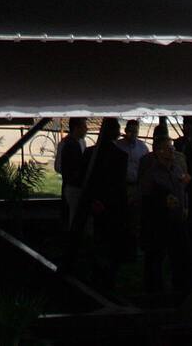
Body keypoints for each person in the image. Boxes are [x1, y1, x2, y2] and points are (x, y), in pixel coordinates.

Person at [135, 126, 188, 295]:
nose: (172, 152)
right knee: (155, 261)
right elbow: (145, 198)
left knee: (177, 259)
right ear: (158, 152)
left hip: (176, 222)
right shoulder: (151, 174)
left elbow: (182, 190)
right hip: (157, 225)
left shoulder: (177, 169)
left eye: (172, 148)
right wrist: (162, 202)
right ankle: (154, 293)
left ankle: (177, 291)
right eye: (168, 149)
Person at [83, 119, 132, 279]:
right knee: (112, 242)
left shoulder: (90, 153)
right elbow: (119, 185)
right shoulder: (121, 156)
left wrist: (93, 200)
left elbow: (86, 180)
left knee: (97, 239)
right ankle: (110, 274)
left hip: (95, 203)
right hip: (114, 206)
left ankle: (97, 272)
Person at [54, 119, 88, 225]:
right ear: (76, 128)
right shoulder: (65, 144)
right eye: (84, 127)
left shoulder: (81, 142)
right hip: (71, 184)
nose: (86, 129)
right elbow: (58, 166)